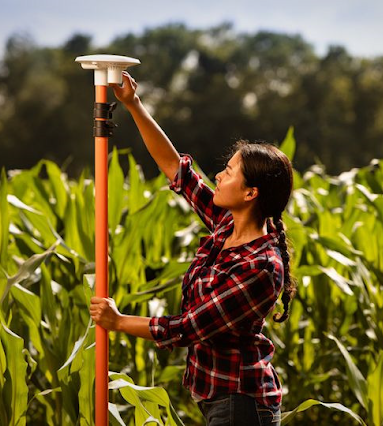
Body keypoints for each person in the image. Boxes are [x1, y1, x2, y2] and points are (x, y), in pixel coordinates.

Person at [89, 71, 296, 426]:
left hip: (241, 405)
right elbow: (177, 170)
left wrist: (118, 322)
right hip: (222, 400)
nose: (219, 175)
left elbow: (187, 328)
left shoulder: (261, 267)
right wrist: (133, 104)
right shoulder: (227, 225)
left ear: (251, 193)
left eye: (229, 173)